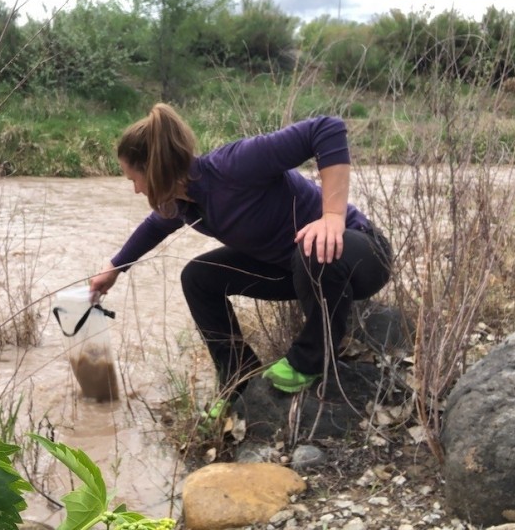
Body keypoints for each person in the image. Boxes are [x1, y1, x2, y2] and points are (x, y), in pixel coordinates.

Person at [90, 103, 392, 416]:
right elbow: (154, 227)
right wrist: (114, 268)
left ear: (156, 171)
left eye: (134, 179)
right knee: (198, 277)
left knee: (311, 246)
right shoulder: (182, 202)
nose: (136, 190)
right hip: (294, 270)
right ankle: (239, 377)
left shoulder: (233, 165)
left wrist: (332, 217)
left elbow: (326, 128)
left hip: (361, 255)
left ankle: (311, 361)